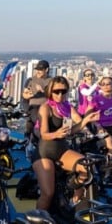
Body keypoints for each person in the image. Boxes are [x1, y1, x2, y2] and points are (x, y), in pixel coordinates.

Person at [32, 76, 100, 211]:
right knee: (48, 193)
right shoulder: (45, 108)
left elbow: (71, 130)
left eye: (63, 91)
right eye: (56, 91)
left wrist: (85, 121)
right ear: (50, 91)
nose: (60, 95)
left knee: (87, 167)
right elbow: (44, 133)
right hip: (45, 152)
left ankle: (73, 192)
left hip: (62, 150)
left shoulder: (67, 107)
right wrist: (56, 134)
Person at [21, 60, 51, 140]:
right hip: (34, 106)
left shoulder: (51, 81)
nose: (38, 72)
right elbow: (24, 94)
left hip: (47, 106)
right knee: (37, 120)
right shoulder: (31, 80)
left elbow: (54, 95)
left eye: (40, 70)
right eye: (37, 70)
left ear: (46, 70)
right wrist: (29, 95)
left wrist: (43, 91)